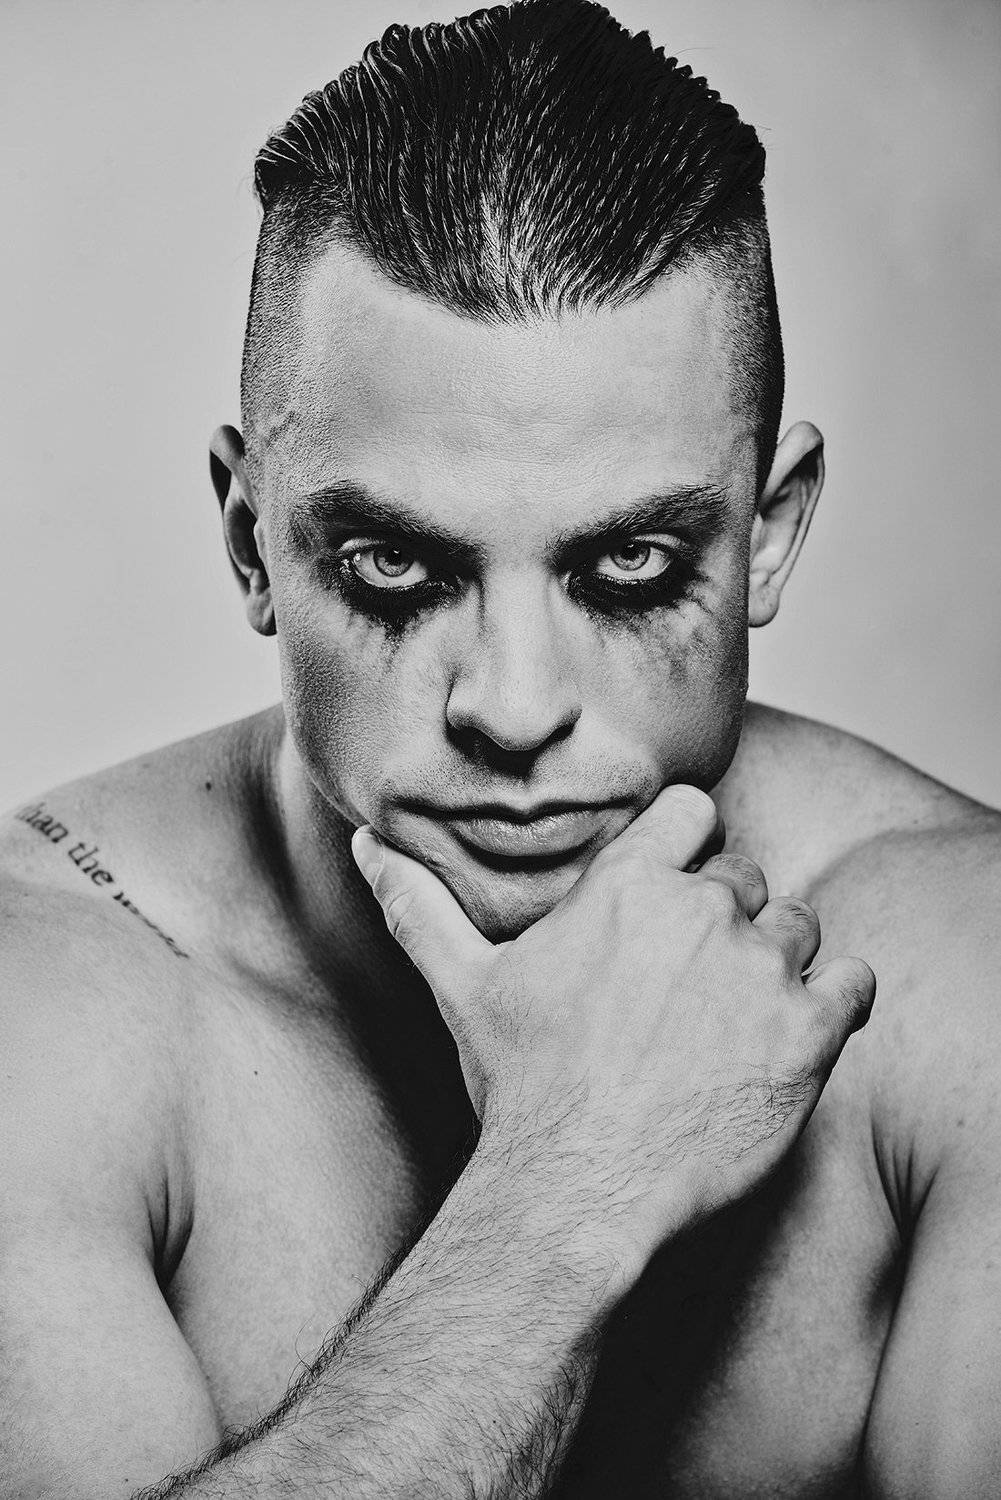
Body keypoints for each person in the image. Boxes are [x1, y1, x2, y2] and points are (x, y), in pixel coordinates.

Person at [2, 0, 999, 1494]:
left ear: (769, 536)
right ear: (253, 542)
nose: (516, 709)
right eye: (398, 568)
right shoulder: (46, 1018)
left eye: (631, 567)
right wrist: (565, 1191)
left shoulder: (969, 977)